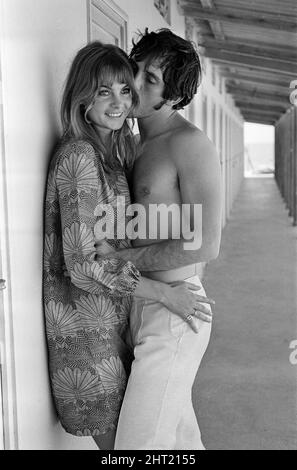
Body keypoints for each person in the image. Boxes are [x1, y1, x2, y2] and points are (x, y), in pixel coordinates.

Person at [43, 41, 214, 450]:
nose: (126, 94)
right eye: (108, 89)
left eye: (133, 84)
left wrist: (126, 264)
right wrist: (152, 288)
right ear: (82, 95)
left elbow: (202, 242)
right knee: (161, 443)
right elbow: (85, 261)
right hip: (103, 325)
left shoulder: (139, 150)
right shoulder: (97, 153)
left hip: (145, 312)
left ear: (171, 95)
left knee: (151, 443)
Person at [95, 29, 222, 450]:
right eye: (138, 68)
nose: (135, 82)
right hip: (133, 304)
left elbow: (205, 244)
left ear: (173, 96)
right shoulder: (128, 143)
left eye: (151, 79)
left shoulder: (188, 144)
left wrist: (121, 257)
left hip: (176, 310)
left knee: (138, 446)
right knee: (179, 442)